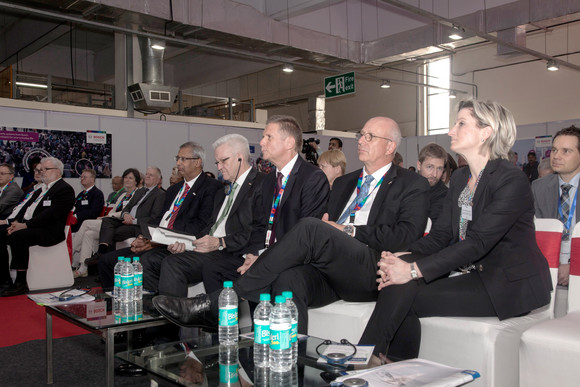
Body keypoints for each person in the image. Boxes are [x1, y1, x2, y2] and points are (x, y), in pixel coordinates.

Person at [152, 116, 429, 333]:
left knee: (310, 226)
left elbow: (407, 234)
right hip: (328, 269)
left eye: (370, 136)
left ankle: (218, 302)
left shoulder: (411, 183)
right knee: (288, 280)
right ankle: (290, 365)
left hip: (369, 267)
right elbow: (269, 226)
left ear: (390, 146)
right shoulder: (346, 183)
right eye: (361, 134)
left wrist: (348, 230)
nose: (361, 140)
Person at [357, 99, 552, 362]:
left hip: (506, 285)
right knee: (399, 284)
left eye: (461, 123)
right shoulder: (460, 178)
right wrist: (402, 256)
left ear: (486, 132)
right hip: (471, 274)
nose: (451, 130)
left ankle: (368, 362)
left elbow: (477, 243)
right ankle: (385, 368)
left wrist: (413, 270)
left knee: (405, 290)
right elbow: (441, 236)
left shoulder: (511, 180)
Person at [200, 115, 330, 297]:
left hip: (293, 258)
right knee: (215, 268)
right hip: (265, 252)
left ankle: (208, 306)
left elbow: (305, 237)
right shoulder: (268, 180)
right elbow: (260, 226)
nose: (262, 143)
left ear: (289, 143)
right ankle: (222, 322)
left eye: (269, 137)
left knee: (258, 277)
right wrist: (252, 255)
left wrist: (264, 258)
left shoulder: (312, 177)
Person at [151, 134, 267, 297]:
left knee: (173, 263)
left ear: (240, 158)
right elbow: (210, 226)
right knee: (164, 259)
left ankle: (174, 318)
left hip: (232, 251)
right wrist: (186, 243)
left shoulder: (262, 184)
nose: (219, 167)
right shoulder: (224, 190)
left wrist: (221, 242)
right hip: (212, 248)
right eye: (217, 162)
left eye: (223, 161)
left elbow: (258, 229)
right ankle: (172, 313)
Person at [97, 142, 223, 290]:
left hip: (179, 244)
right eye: (177, 158)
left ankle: (154, 307)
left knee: (145, 261)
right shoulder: (174, 190)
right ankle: (116, 306)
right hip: (158, 242)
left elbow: (202, 225)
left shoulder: (212, 187)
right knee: (107, 261)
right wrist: (144, 237)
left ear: (197, 162)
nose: (178, 163)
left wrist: (160, 240)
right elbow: (159, 219)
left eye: (183, 159)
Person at [0, 157, 75, 296]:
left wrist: (25, 226)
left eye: (46, 169)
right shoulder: (42, 189)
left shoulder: (64, 189)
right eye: (41, 170)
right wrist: (16, 224)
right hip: (34, 227)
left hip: (50, 231)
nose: (42, 172)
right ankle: (5, 279)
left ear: (58, 171)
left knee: (18, 236)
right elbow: (26, 209)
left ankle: (21, 282)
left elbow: (50, 215)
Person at [84, 167, 165, 269]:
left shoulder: (160, 195)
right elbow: (127, 207)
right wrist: (125, 214)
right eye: (147, 174)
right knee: (107, 221)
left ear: (158, 179)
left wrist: (133, 220)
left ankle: (104, 261)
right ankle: (102, 252)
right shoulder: (140, 191)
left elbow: (154, 218)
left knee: (111, 232)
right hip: (126, 220)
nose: (147, 176)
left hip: (137, 225)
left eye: (151, 175)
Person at [532, 125, 580, 286]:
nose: (556, 156)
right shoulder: (539, 188)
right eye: (554, 150)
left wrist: (573, 265)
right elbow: (536, 233)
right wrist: (553, 265)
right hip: (548, 265)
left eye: (566, 151)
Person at [71, 168, 140, 276]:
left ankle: (69, 252)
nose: (127, 180)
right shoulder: (122, 195)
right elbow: (113, 210)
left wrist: (107, 217)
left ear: (136, 181)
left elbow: (127, 212)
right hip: (110, 222)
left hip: (121, 223)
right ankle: (83, 268)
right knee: (89, 234)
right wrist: (108, 217)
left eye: (130, 178)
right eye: (125, 177)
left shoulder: (138, 195)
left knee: (86, 223)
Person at [416, 143, 448, 222]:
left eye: (439, 169)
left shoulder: (446, 196)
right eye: (430, 167)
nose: (434, 174)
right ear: (419, 165)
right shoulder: (405, 188)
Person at [71, 169, 104, 233]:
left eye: (85, 177)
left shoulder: (97, 193)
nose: (82, 179)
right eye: (81, 177)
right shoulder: (81, 194)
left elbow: (93, 212)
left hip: (86, 224)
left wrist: (76, 216)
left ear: (92, 179)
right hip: (76, 222)